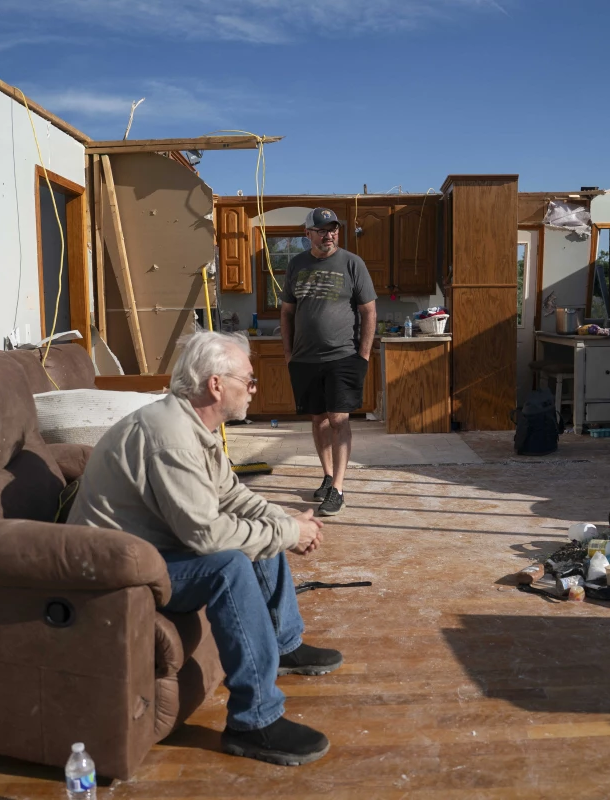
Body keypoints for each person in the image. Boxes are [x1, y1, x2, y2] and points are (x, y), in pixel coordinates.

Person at [68, 331, 341, 767]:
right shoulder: (171, 438)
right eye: (249, 381)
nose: (255, 390)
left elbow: (231, 496)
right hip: (118, 569)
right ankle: (253, 723)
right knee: (228, 565)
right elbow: (207, 538)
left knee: (260, 528)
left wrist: (286, 522)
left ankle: (283, 643)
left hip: (152, 548)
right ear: (216, 385)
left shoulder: (194, 427)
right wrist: (288, 535)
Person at [280, 207, 378, 517]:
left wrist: (363, 354)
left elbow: (368, 311)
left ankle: (338, 488)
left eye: (333, 228)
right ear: (307, 233)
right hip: (305, 358)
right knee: (318, 419)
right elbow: (286, 312)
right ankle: (326, 475)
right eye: (322, 229)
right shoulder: (296, 265)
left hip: (343, 356)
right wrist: (287, 353)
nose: (329, 233)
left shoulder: (352, 263)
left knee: (339, 419)